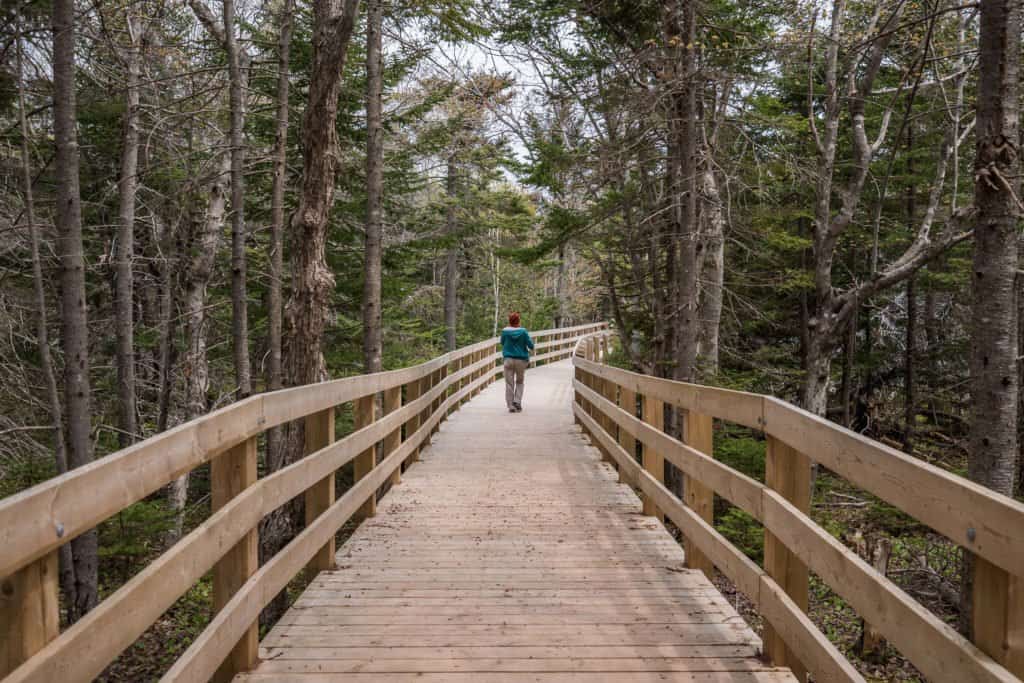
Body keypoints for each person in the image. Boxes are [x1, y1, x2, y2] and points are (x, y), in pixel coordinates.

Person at [500, 311, 534, 413]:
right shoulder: (523, 331)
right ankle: (517, 401)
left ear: (509, 321)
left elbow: (502, 342)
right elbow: (531, 345)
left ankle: (510, 405)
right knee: (520, 381)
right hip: (521, 360)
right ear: (518, 321)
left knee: (509, 383)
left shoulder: (505, 331)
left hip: (508, 360)